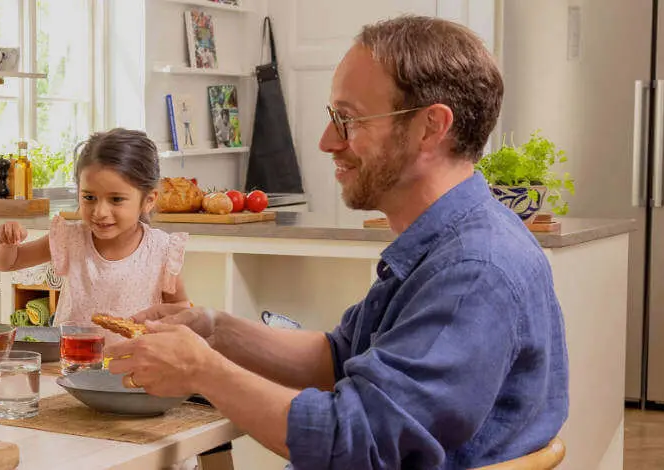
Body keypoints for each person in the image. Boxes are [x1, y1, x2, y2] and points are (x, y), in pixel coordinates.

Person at [106, 16, 567, 468]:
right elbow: (339, 356)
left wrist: (202, 370)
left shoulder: (472, 272)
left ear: (431, 127)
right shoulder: (446, 241)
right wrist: (215, 330)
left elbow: (353, 441)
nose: (327, 141)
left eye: (348, 120)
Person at [0, 128, 189, 325]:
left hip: (135, 356)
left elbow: (179, 307)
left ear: (148, 200)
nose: (100, 211)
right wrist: (7, 242)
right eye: (89, 197)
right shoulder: (70, 238)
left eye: (116, 199)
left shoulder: (161, 249)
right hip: (73, 355)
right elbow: (8, 263)